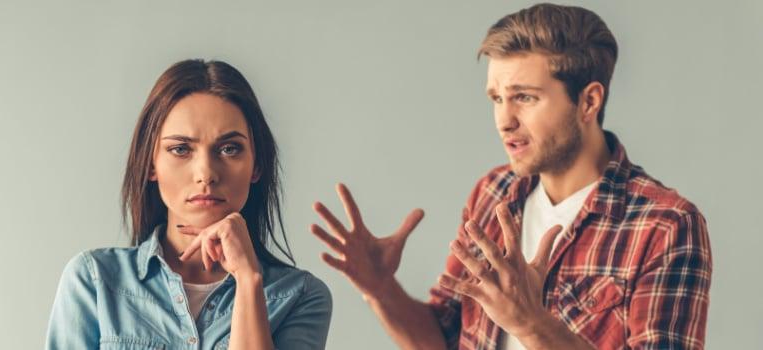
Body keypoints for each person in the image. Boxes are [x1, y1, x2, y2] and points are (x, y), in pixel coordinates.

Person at [310, 3, 711, 349]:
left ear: (589, 101)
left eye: (525, 97)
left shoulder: (664, 225)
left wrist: (530, 325)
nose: (504, 120)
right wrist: (381, 290)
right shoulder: (493, 192)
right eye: (497, 99)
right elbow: (443, 339)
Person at [46, 59, 332, 349]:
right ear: (150, 164)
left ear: (256, 165)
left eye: (229, 149)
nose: (206, 173)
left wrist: (248, 282)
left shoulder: (301, 296)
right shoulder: (94, 280)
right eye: (181, 149)